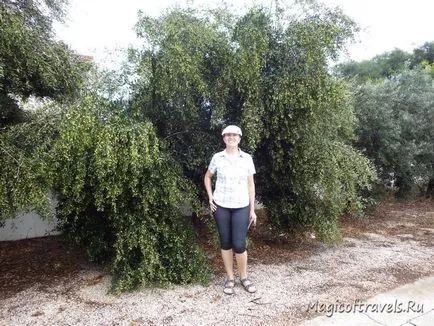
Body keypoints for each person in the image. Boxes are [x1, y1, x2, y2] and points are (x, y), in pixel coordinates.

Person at [204, 125, 257, 295]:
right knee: (225, 242)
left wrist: (252, 209)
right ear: (223, 138)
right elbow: (207, 177)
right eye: (227, 135)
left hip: (241, 206)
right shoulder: (217, 157)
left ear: (239, 138)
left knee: (239, 244)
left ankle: (244, 277)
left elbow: (250, 184)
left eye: (234, 135)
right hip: (221, 206)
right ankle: (230, 278)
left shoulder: (247, 158)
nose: (231, 137)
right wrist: (210, 197)